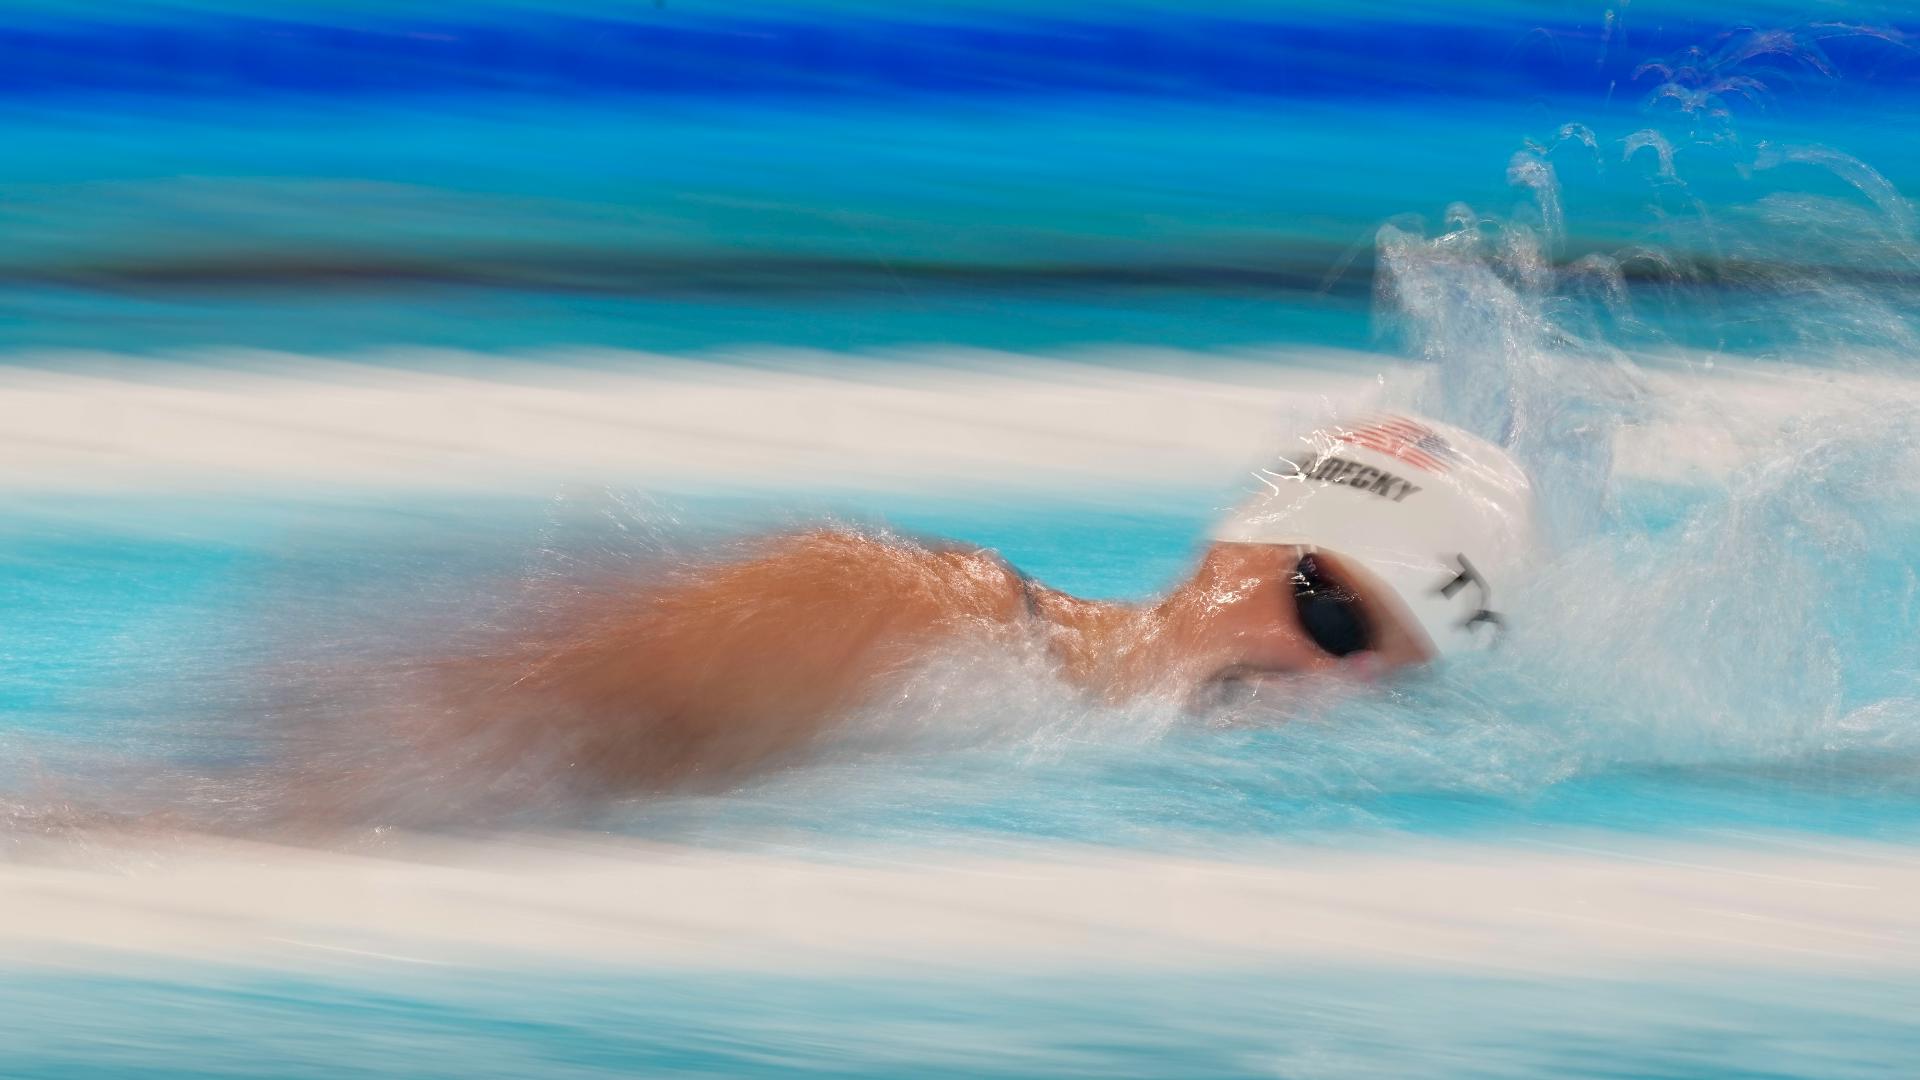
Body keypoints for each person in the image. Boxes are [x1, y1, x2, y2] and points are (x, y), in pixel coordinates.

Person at [433, 412, 1538, 791]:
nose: (1329, 681)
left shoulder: (1082, 744)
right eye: (1334, 613)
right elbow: (481, 743)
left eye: (1389, 677)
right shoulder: (909, 612)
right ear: (1233, 551)